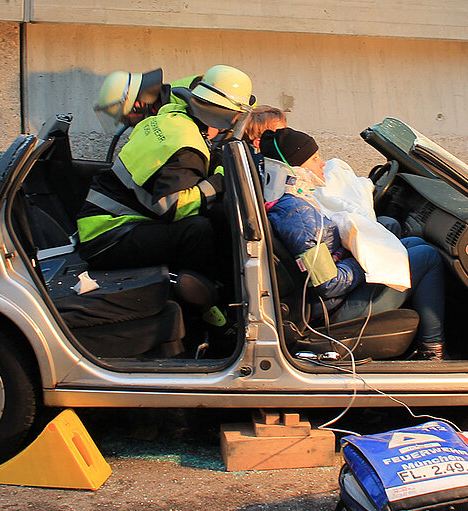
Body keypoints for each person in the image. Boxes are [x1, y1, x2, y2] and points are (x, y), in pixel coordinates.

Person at [259, 127, 446, 360]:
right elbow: (327, 283)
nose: (323, 164)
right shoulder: (298, 214)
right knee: (428, 256)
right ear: (294, 168)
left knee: (413, 243)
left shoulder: (293, 202)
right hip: (333, 311)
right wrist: (366, 262)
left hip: (328, 300)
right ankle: (432, 350)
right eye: (314, 158)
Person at [76, 64, 254, 282]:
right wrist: (219, 181)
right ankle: (207, 297)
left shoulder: (169, 118)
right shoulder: (185, 142)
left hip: (102, 225)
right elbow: (174, 207)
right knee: (197, 230)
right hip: (108, 237)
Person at [94, 68, 196, 162]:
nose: (126, 123)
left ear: (137, 105)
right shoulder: (164, 101)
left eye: (125, 118)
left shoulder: (186, 101)